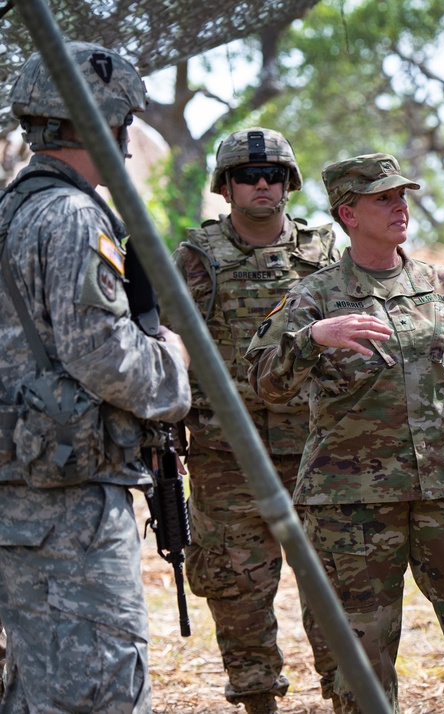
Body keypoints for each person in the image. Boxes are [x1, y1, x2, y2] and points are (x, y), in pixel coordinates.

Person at [246, 152, 444, 714]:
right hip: (351, 504)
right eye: (383, 198)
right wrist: (313, 337)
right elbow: (264, 380)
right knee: (360, 654)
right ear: (349, 213)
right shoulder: (316, 295)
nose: (399, 206)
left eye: (402, 196)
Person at [0, 42, 191, 712]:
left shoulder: (11, 211)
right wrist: (173, 366)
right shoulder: (74, 216)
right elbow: (102, 355)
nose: (131, 138)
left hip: (28, 495)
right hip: (68, 506)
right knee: (94, 689)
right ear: (96, 126)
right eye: (123, 122)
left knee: (39, 688)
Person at [170, 127, 340, 714]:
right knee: (236, 587)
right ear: (226, 187)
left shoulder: (324, 255)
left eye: (273, 175)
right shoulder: (195, 260)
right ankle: (257, 700)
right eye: (248, 175)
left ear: (289, 183)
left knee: (336, 586)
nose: (262, 184)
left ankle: (347, 694)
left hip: (318, 449)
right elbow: (168, 344)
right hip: (226, 454)